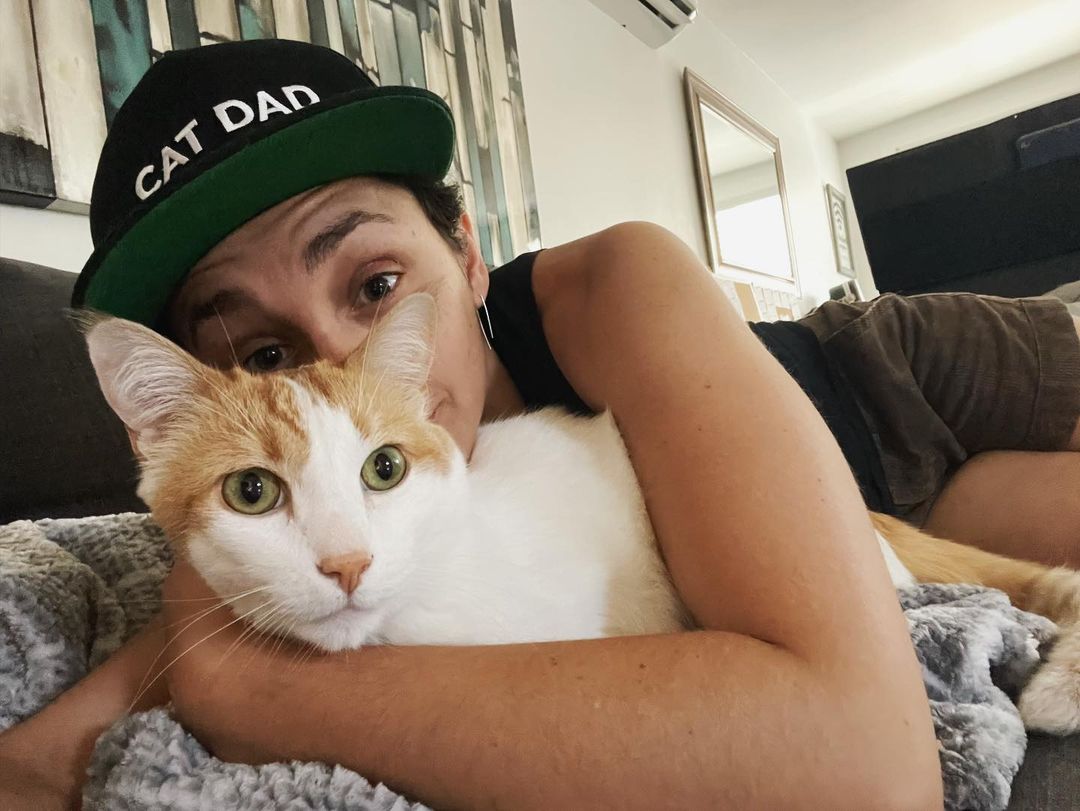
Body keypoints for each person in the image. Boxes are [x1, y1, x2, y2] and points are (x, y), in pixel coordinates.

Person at [2, 39, 1077, 810]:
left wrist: (266, 696)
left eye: (375, 283)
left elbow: (868, 765)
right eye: (267, 356)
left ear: (466, 255)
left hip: (886, 376)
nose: (342, 362)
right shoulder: (281, 486)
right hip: (897, 507)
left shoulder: (613, 286)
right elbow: (137, 683)